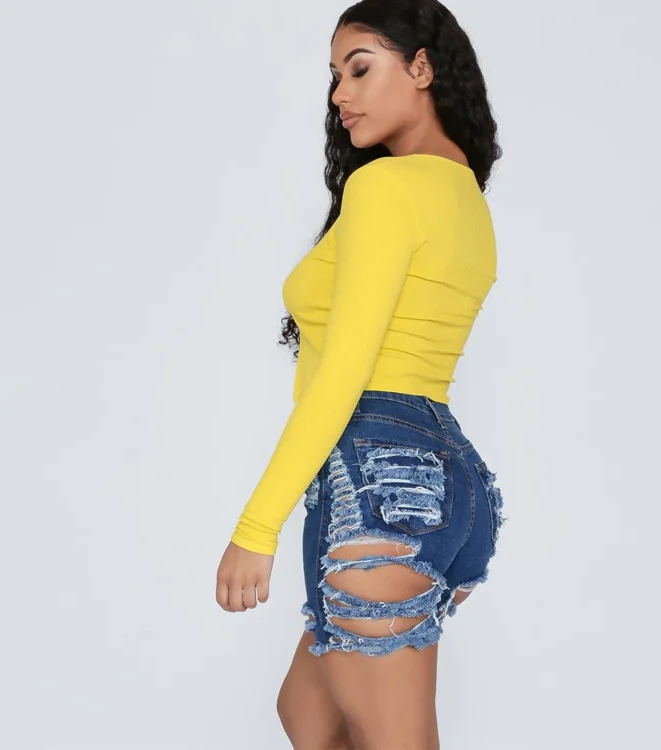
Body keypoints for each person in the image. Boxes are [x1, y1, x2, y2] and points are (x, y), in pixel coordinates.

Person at [216, 1, 506, 747]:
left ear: (422, 68)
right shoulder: (467, 198)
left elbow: (345, 372)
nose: (341, 94)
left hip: (378, 476)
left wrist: (256, 528)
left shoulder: (386, 187)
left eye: (360, 69)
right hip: (450, 482)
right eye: (335, 77)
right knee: (309, 715)